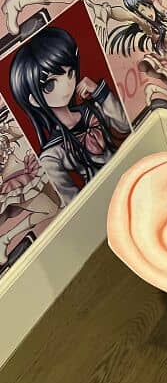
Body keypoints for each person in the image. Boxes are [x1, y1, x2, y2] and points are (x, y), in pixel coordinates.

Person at [9, 27, 131, 201]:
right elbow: (73, 201)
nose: (67, 85)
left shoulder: (93, 108)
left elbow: (125, 125)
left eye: (70, 73)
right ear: (34, 100)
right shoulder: (52, 154)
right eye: (50, 84)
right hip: (105, 199)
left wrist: (100, 92)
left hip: (132, 170)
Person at [86, 0, 167, 118]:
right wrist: (107, 11)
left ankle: (154, 88)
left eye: (147, 6)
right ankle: (156, 89)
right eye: (142, 11)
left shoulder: (164, 18)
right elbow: (129, 16)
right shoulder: (147, 27)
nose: (148, 12)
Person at [0, 112, 61, 265]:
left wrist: (7, 126)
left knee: (58, 203)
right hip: (15, 180)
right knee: (51, 209)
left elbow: (18, 132)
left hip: (28, 168)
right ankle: (6, 239)